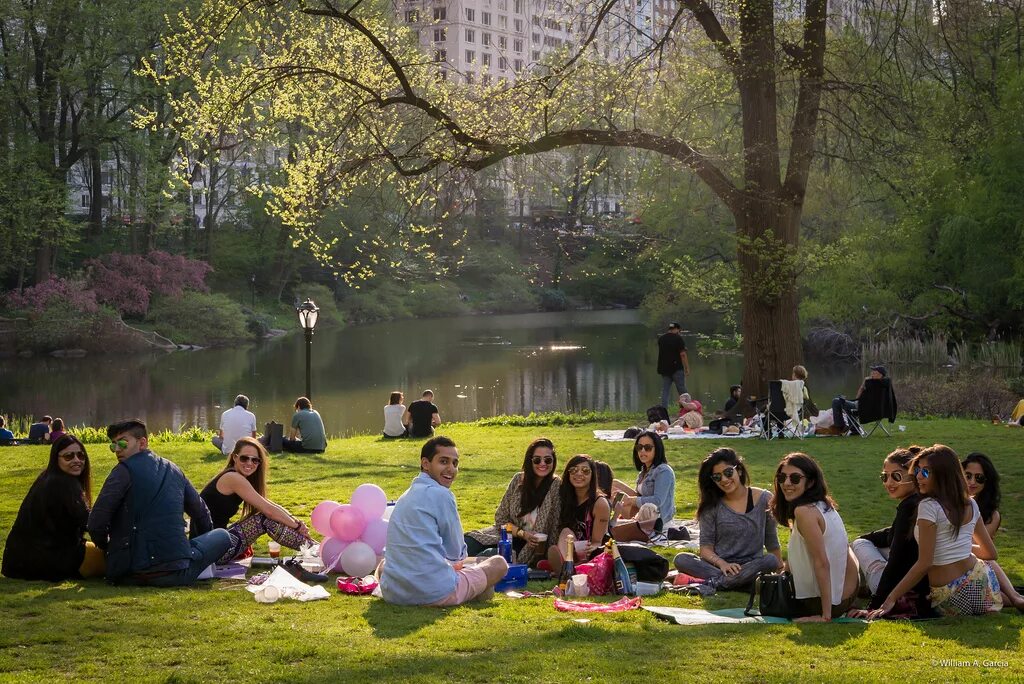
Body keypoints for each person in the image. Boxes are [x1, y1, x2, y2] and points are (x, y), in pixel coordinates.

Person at [867, 444, 1024, 618]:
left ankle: (1016, 598)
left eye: (925, 472)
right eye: (918, 471)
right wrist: (958, 546)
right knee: (981, 562)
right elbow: (990, 553)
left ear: (942, 474)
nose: (918, 476)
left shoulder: (928, 506)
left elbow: (924, 564)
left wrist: (890, 599)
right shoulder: (970, 503)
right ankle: (1016, 597)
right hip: (983, 588)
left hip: (950, 599)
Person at [87, 419, 232, 586]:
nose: (117, 449)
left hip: (127, 572)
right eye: (113, 445)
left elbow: (96, 523)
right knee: (222, 535)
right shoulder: (174, 470)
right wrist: (189, 551)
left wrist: (109, 549)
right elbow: (201, 514)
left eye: (122, 443)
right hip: (175, 573)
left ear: (142, 442)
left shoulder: (122, 471)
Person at [380, 436, 509, 606]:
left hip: (394, 594)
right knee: (499, 563)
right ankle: (475, 590)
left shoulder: (406, 495)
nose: (451, 469)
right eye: (443, 461)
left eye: (455, 463)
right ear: (426, 464)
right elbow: (456, 553)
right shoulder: (442, 494)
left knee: (384, 563)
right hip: (435, 593)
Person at [673, 448, 781, 593]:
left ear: (739, 471)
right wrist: (723, 564)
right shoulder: (711, 505)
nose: (724, 480)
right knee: (681, 559)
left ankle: (716, 583)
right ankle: (738, 583)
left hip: (751, 566)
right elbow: (705, 549)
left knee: (771, 560)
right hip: (718, 567)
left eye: (728, 473)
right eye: (717, 477)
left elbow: (771, 541)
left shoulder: (764, 499)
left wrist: (780, 570)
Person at [2, 435, 105, 581]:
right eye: (68, 456)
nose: (77, 460)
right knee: (118, 556)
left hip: (16, 564)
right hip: (50, 561)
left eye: (81, 455)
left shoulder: (45, 478)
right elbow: (90, 523)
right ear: (56, 459)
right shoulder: (65, 483)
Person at [196, 437, 314, 563]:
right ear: (235, 457)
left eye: (255, 460)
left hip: (210, 546)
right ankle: (314, 549)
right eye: (244, 458)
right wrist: (296, 526)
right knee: (263, 520)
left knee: (264, 517)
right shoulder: (232, 478)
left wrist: (296, 522)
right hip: (208, 553)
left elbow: (268, 504)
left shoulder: (236, 476)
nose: (249, 463)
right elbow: (269, 511)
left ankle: (313, 547)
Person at [771, 452, 859, 621]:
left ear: (810, 482)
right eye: (782, 478)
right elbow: (799, 551)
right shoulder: (823, 504)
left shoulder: (804, 511)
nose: (787, 483)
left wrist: (825, 616)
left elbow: (822, 563)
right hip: (845, 593)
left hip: (829, 602)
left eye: (795, 478)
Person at [848, 446, 932, 618]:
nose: (888, 483)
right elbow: (894, 535)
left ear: (913, 474)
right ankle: (859, 585)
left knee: (859, 544)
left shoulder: (910, 506)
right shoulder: (923, 501)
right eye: (884, 477)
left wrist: (874, 606)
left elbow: (896, 560)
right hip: (921, 584)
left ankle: (858, 587)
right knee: (865, 542)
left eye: (896, 476)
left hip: (902, 588)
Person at [465, 438, 562, 566]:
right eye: (537, 460)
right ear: (530, 461)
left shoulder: (556, 485)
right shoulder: (518, 480)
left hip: (529, 545)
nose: (542, 464)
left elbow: (555, 524)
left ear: (553, 461)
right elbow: (501, 519)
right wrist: (522, 533)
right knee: (466, 544)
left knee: (488, 555)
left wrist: (549, 554)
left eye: (548, 459)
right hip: (506, 534)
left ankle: (465, 576)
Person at [547, 455, 611, 576]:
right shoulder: (565, 498)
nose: (579, 474)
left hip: (593, 551)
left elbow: (598, 542)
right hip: (572, 548)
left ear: (593, 475)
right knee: (566, 533)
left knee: (566, 534)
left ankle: (567, 568)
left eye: (585, 471)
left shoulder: (600, 503)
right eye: (574, 470)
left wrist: (587, 549)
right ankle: (569, 567)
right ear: (568, 474)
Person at [612, 431, 676, 528]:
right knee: (614, 484)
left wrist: (630, 500)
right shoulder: (644, 471)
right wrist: (619, 490)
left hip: (657, 520)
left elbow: (657, 501)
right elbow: (640, 496)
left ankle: (624, 523)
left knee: (645, 506)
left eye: (647, 448)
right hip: (642, 515)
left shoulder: (664, 471)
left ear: (657, 449)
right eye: (639, 447)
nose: (642, 451)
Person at [831, 365, 886, 433]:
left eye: (874, 373)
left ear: (880, 375)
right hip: (863, 406)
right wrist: (863, 385)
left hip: (866, 409)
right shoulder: (883, 384)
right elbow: (858, 398)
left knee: (836, 401)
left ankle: (840, 427)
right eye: (872, 372)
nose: (871, 374)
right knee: (842, 402)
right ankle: (854, 430)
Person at [962, 452, 1001, 539]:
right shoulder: (949, 504)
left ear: (987, 481)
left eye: (979, 478)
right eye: (967, 476)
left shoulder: (992, 516)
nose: (972, 482)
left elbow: (980, 547)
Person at [656, 322, 690, 409]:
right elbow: (682, 354)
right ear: (677, 329)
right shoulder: (678, 338)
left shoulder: (661, 339)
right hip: (676, 368)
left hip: (664, 368)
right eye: (679, 330)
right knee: (682, 390)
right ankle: (688, 409)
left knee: (665, 391)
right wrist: (686, 368)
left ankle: (664, 410)